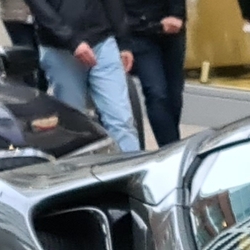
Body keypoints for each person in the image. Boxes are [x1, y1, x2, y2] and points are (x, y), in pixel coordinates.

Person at [28, 0, 143, 151]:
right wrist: (71, 41)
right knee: (73, 125)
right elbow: (40, 7)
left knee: (121, 119)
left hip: (102, 41)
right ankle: (80, 171)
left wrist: (123, 42)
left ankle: (132, 170)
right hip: (60, 50)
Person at [125, 0, 187, 143]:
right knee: (156, 93)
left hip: (172, 31)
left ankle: (173, 145)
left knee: (174, 97)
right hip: (138, 33)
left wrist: (176, 15)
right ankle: (171, 149)